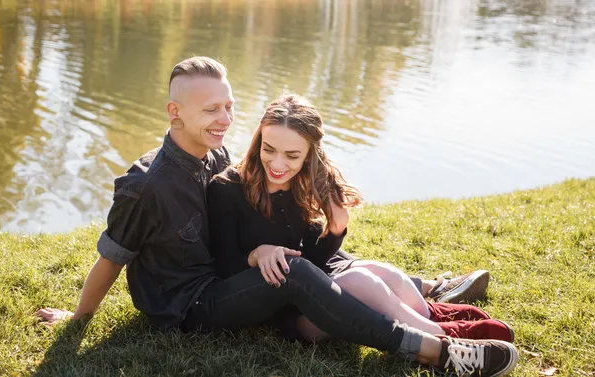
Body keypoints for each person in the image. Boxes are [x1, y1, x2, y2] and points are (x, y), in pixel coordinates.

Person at [36, 57, 518, 377]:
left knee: (303, 252)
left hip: (233, 279)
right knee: (292, 268)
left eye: (229, 105)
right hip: (192, 305)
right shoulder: (146, 185)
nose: (225, 118)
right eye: (211, 110)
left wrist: (327, 226)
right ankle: (432, 351)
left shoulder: (217, 155)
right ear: (174, 112)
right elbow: (112, 255)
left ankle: (424, 291)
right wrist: (78, 317)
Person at [206, 94, 513, 342]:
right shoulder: (226, 188)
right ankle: (442, 334)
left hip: (309, 295)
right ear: (258, 139)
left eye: (292, 156)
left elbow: (310, 260)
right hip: (283, 315)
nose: (277, 163)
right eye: (269, 149)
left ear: (309, 154)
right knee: (358, 280)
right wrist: (258, 255)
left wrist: (335, 229)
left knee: (381, 272)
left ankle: (430, 315)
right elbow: (223, 270)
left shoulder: (302, 184)